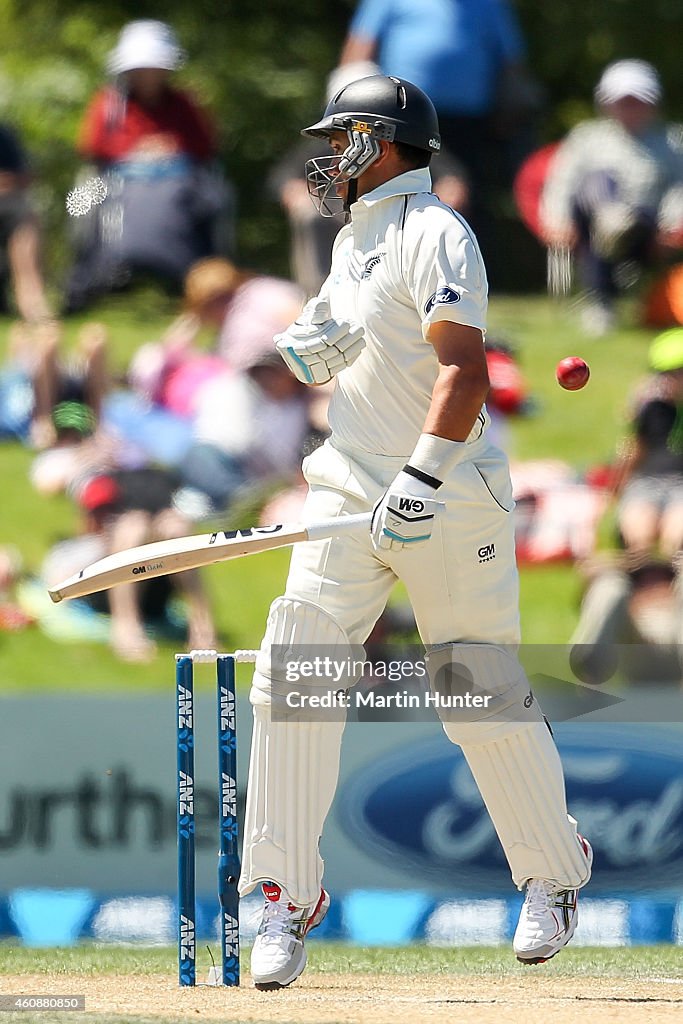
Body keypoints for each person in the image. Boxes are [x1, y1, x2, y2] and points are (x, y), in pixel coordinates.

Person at [238, 74, 592, 990]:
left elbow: (463, 371)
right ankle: (281, 893)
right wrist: (311, 345)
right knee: (296, 668)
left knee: (475, 689)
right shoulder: (351, 239)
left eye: (344, 135)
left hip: (446, 488)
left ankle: (553, 874)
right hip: (348, 485)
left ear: (383, 142)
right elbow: (350, 344)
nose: (329, 153)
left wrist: (421, 480)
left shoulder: (436, 230)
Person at [66, 20, 232, 310]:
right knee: (80, 201)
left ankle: (208, 279)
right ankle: (85, 280)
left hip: (180, 183)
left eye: (154, 68)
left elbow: (205, 147)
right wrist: (135, 152)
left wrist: (172, 149)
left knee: (216, 198)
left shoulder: (184, 103)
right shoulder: (108, 103)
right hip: (115, 183)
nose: (148, 76)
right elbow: (90, 147)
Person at [339, 0, 539, 210]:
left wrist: (512, 107)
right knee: (404, 193)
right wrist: (350, 106)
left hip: (469, 125)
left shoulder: (489, 4)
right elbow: (359, 51)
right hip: (404, 123)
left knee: (463, 197)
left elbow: (511, 63)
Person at [540, 60, 683, 335]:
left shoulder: (672, 142)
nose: (630, 109)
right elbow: (562, 183)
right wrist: (556, 220)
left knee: (616, 226)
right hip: (591, 220)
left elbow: (679, 188)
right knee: (599, 185)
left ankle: (607, 289)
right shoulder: (587, 138)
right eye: (623, 101)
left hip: (647, 225)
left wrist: (674, 224)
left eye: (637, 101)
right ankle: (600, 301)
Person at [614, 327, 683, 559]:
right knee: (638, 537)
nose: (668, 381)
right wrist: (617, 484)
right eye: (664, 374)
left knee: (676, 540)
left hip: (681, 485)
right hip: (646, 483)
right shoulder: (653, 409)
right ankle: (640, 587)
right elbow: (636, 448)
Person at [0, 120, 52, 323]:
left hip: (8, 203)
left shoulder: (4, 135)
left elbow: (25, 176)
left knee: (25, 217)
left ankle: (31, 300)